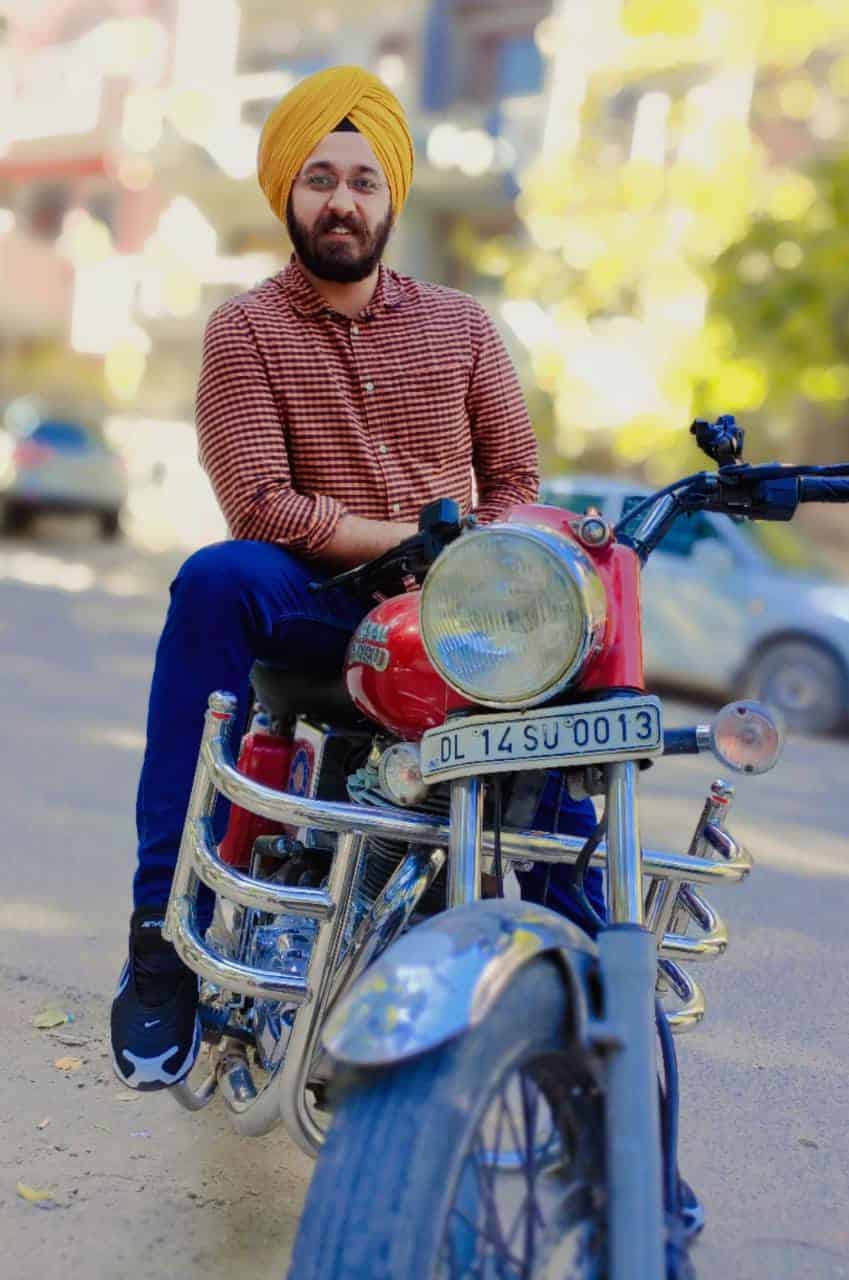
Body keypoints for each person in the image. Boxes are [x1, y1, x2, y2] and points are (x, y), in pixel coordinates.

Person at [110, 65, 600, 1093]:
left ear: (391, 198)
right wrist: (406, 540)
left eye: (364, 181)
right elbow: (262, 504)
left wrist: (476, 559)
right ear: (288, 194)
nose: (343, 200)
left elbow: (516, 483)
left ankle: (590, 960)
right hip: (318, 608)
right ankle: (163, 932)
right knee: (216, 577)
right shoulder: (245, 330)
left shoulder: (462, 327)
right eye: (321, 178)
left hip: (454, 623)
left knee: (571, 649)